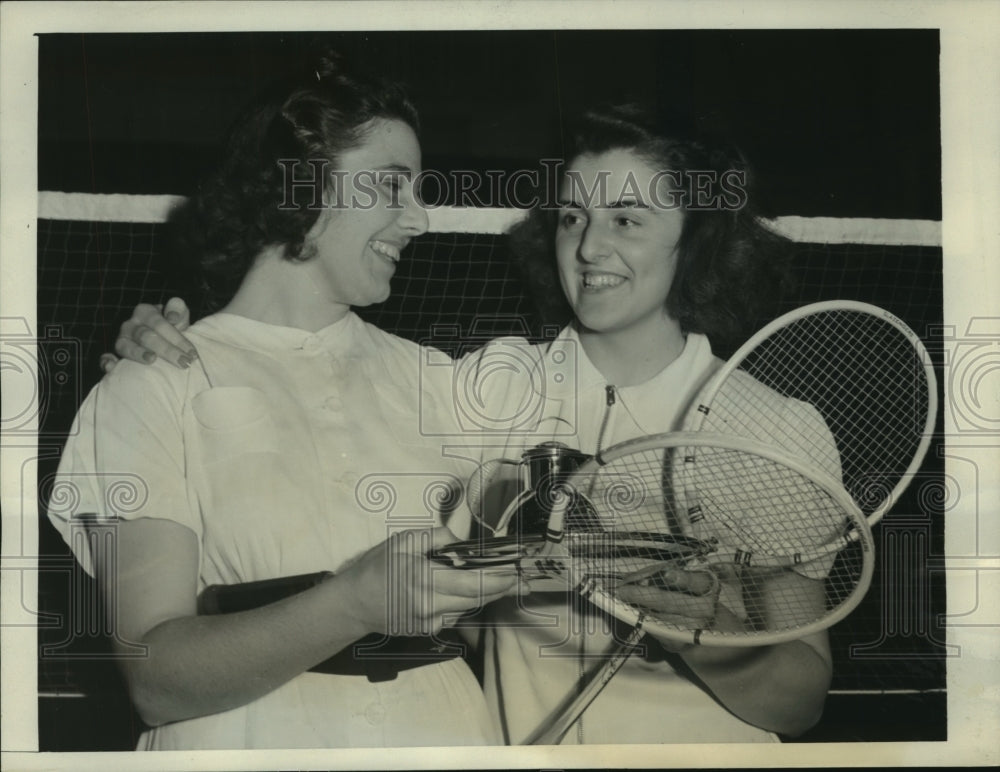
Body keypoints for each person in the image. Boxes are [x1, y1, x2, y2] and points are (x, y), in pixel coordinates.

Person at [106, 104, 835, 745]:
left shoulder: (771, 429)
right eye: (573, 216)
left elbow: (801, 701)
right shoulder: (476, 395)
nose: (588, 247)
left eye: (627, 220)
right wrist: (164, 348)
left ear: (698, 238)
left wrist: (703, 632)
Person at [48, 52, 517, 750]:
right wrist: (355, 601)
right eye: (393, 186)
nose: (420, 219)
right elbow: (155, 681)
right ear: (303, 182)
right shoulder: (153, 383)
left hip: (444, 733)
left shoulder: (441, 382)